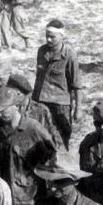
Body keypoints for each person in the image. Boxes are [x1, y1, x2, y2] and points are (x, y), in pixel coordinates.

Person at [32, 19, 83, 150]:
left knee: (62, 138)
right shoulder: (42, 51)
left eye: (52, 37)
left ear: (62, 36)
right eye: (47, 36)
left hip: (61, 105)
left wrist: (78, 109)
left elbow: (76, 84)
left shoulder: (69, 55)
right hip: (41, 102)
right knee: (41, 137)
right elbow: (39, 78)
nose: (48, 40)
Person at [6, 73, 63, 149]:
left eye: (16, 94)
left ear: (25, 94)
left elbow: (53, 135)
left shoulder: (41, 111)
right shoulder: (8, 109)